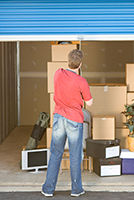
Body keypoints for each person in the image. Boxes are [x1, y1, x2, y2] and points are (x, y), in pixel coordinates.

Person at [41, 49, 93, 197]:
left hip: (58, 117)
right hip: (74, 120)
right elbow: (89, 102)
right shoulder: (81, 81)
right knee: (75, 155)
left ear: (68, 61)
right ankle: (76, 189)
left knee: (56, 153)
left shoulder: (58, 73)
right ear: (80, 64)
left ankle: (48, 189)